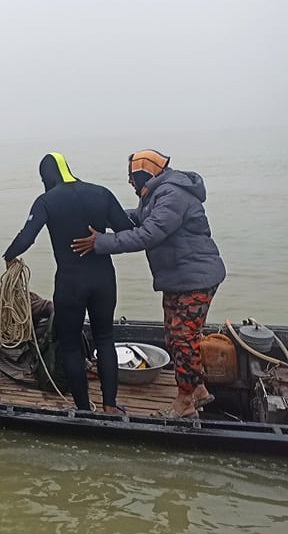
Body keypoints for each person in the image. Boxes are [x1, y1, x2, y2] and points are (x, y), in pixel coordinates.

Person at [72, 150, 226, 419]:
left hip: (195, 278)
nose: (130, 182)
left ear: (144, 173)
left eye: (132, 176)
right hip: (178, 278)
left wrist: (100, 243)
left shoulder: (173, 195)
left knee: (183, 338)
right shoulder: (159, 193)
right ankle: (198, 388)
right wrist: (104, 216)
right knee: (173, 337)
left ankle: (185, 402)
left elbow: (148, 234)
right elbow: (139, 218)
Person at [2, 153, 133, 413]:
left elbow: (27, 237)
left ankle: (83, 409)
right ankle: (110, 405)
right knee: (105, 339)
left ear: (46, 177)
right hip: (104, 279)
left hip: (70, 283)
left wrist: (9, 255)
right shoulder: (101, 193)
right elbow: (127, 229)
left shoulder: (46, 201)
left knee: (71, 345)